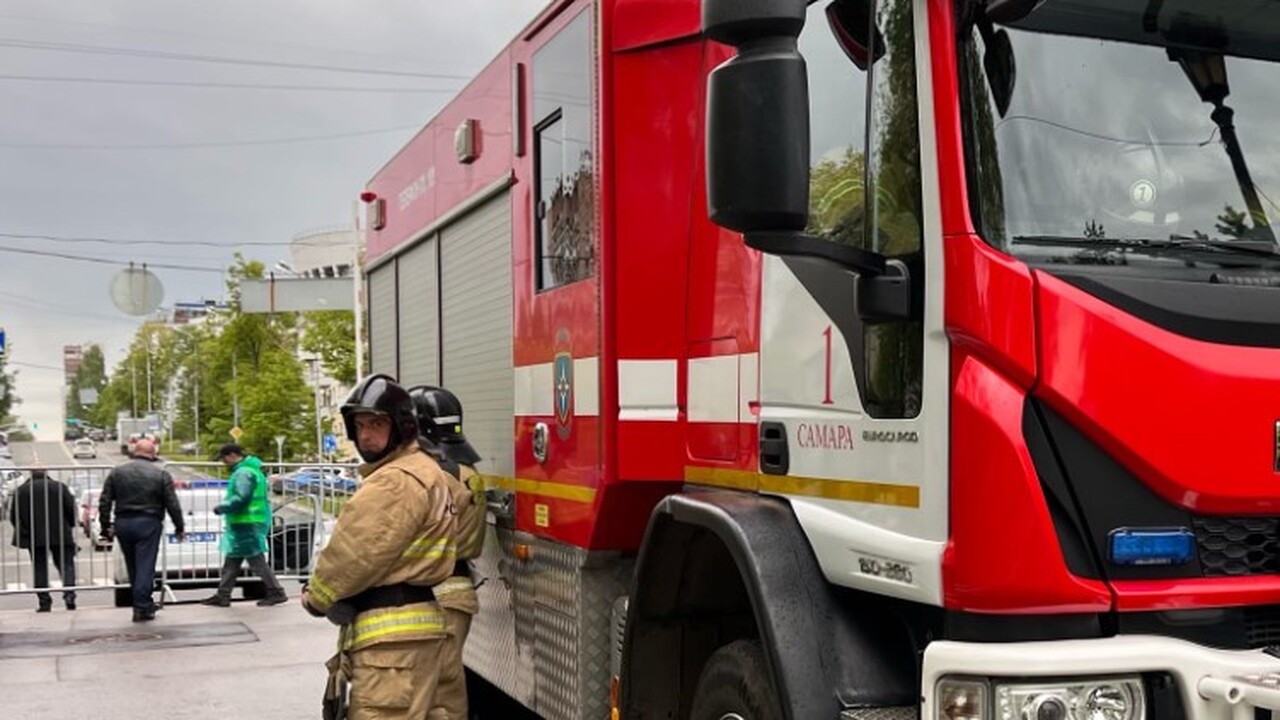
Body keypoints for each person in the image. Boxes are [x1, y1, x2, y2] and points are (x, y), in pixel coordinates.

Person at [301, 374, 459, 720]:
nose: (366, 435)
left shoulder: (395, 481)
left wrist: (316, 597)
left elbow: (355, 553)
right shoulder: (426, 470)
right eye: (359, 425)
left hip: (391, 646)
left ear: (401, 427)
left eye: (376, 424)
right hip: (417, 634)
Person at [409, 385, 485, 720]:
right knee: (445, 686)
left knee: (433, 692)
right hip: (457, 590)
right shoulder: (467, 472)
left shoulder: (429, 476)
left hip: (431, 592)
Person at [99, 437, 185, 622]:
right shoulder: (160, 474)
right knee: (145, 566)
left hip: (123, 523)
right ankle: (142, 607)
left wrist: (106, 526)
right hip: (148, 522)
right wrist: (180, 527)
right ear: (152, 454)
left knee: (133, 566)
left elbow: (105, 501)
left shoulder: (117, 472)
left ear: (134, 451)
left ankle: (141, 601)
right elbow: (172, 504)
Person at [200, 443, 289, 607]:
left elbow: (242, 496)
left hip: (247, 521)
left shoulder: (243, 473)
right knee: (233, 558)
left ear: (232, 455)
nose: (224, 463)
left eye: (224, 459)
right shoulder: (253, 470)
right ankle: (223, 594)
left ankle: (276, 591)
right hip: (249, 521)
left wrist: (223, 507)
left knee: (255, 559)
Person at [8, 464, 79, 612]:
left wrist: (24, 531)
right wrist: (69, 525)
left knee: (40, 568)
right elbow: (71, 509)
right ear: (46, 472)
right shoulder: (60, 487)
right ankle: (69, 595)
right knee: (66, 565)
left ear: (31, 473)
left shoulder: (21, 491)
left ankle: (44, 602)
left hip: (35, 535)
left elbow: (14, 515)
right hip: (60, 533)